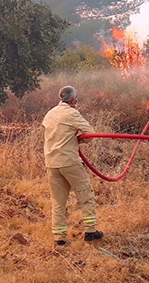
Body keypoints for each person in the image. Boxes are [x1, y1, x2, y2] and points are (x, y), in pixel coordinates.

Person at [42, 85, 104, 246]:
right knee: (86, 195)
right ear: (73, 100)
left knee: (58, 201)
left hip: (52, 162)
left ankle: (59, 238)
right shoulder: (72, 113)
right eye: (76, 98)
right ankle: (90, 231)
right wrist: (80, 139)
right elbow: (90, 134)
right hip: (69, 161)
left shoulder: (50, 114)